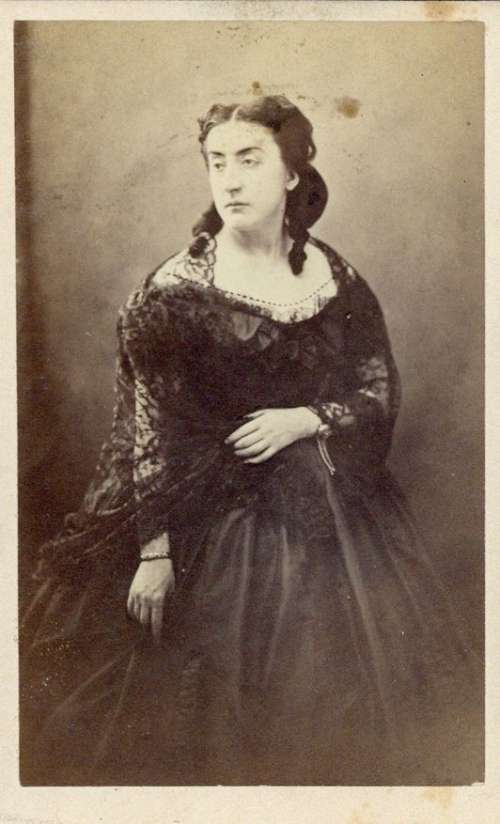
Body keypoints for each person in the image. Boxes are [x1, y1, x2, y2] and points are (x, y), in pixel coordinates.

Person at [20, 95, 481, 786]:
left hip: (328, 513)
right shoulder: (172, 292)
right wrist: (155, 552)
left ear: (292, 173)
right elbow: (150, 430)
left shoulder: (333, 275)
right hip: (206, 519)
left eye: (249, 161)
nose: (230, 181)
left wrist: (306, 418)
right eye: (217, 163)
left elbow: (378, 390)